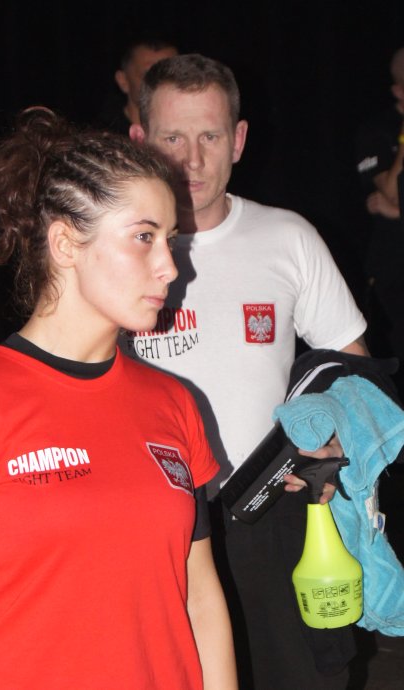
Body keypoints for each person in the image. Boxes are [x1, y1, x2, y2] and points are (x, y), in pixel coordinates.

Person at [0, 107, 237, 690]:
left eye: (171, 240)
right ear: (64, 243)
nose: (169, 267)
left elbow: (201, 595)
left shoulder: (174, 402)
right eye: (144, 238)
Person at [124, 54, 369, 689]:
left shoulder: (288, 238)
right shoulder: (113, 251)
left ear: (238, 140)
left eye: (209, 136)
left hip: (272, 511)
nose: (192, 160)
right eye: (172, 138)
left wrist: (335, 443)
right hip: (153, 521)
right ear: (140, 139)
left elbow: (356, 373)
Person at [356, 46, 404, 396]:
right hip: (394, 271)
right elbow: (388, 190)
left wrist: (396, 211)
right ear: (398, 90)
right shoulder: (377, 132)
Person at [98, 35, 178, 134]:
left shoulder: (190, 129)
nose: (162, 84)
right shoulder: (105, 137)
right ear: (123, 81)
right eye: (150, 76)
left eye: (171, 76)